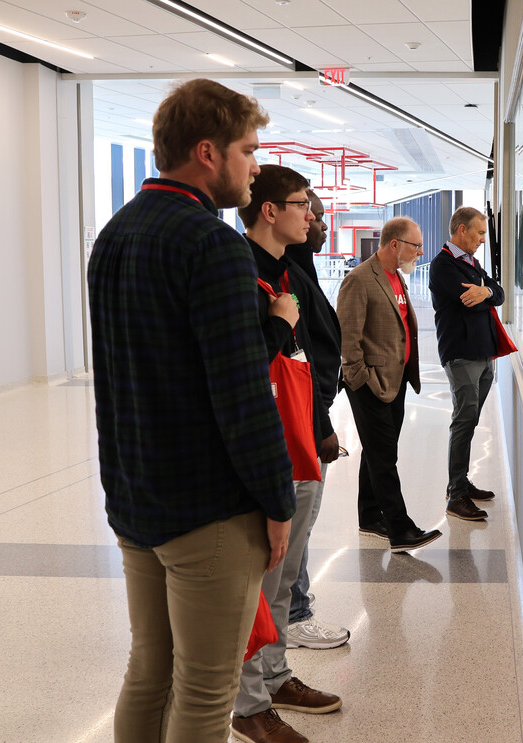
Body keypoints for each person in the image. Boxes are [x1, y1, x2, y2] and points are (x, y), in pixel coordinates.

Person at [88, 79, 294, 743]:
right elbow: (242, 398)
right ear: (208, 152)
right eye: (247, 150)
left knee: (149, 671)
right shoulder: (213, 245)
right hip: (209, 511)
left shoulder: (115, 235)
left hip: (136, 500)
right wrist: (278, 501)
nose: (254, 165)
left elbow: (118, 379)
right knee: (206, 692)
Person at [232, 165, 343, 743]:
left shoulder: (290, 270)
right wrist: (278, 325)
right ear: (270, 210)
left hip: (301, 434)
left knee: (286, 572)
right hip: (268, 443)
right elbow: (243, 367)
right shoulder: (240, 272)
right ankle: (248, 702)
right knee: (262, 574)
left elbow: (312, 353)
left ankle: (274, 677)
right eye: (304, 204)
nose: (313, 214)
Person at [336, 216, 443, 552]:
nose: (421, 252)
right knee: (384, 458)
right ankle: (400, 528)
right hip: (370, 384)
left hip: (395, 382)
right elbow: (347, 341)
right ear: (395, 244)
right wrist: (361, 381)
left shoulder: (396, 276)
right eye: (416, 245)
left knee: (379, 450)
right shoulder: (359, 280)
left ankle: (369, 516)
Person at [283, 188, 351, 651]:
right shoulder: (285, 274)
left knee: (302, 520)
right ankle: (294, 612)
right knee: (298, 519)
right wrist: (322, 425)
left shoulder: (301, 271)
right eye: (310, 213)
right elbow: (297, 360)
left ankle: (294, 598)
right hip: (303, 419)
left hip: (313, 410)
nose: (318, 223)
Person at [429, 206, 505, 521]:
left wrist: (485, 290)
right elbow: (468, 303)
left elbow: (498, 294)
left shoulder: (471, 263)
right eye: (479, 232)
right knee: (464, 420)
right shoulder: (443, 266)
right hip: (461, 354)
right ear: (462, 230)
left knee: (470, 420)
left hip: (483, 354)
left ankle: (461, 481)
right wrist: (484, 294)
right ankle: (455, 495)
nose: (483, 240)